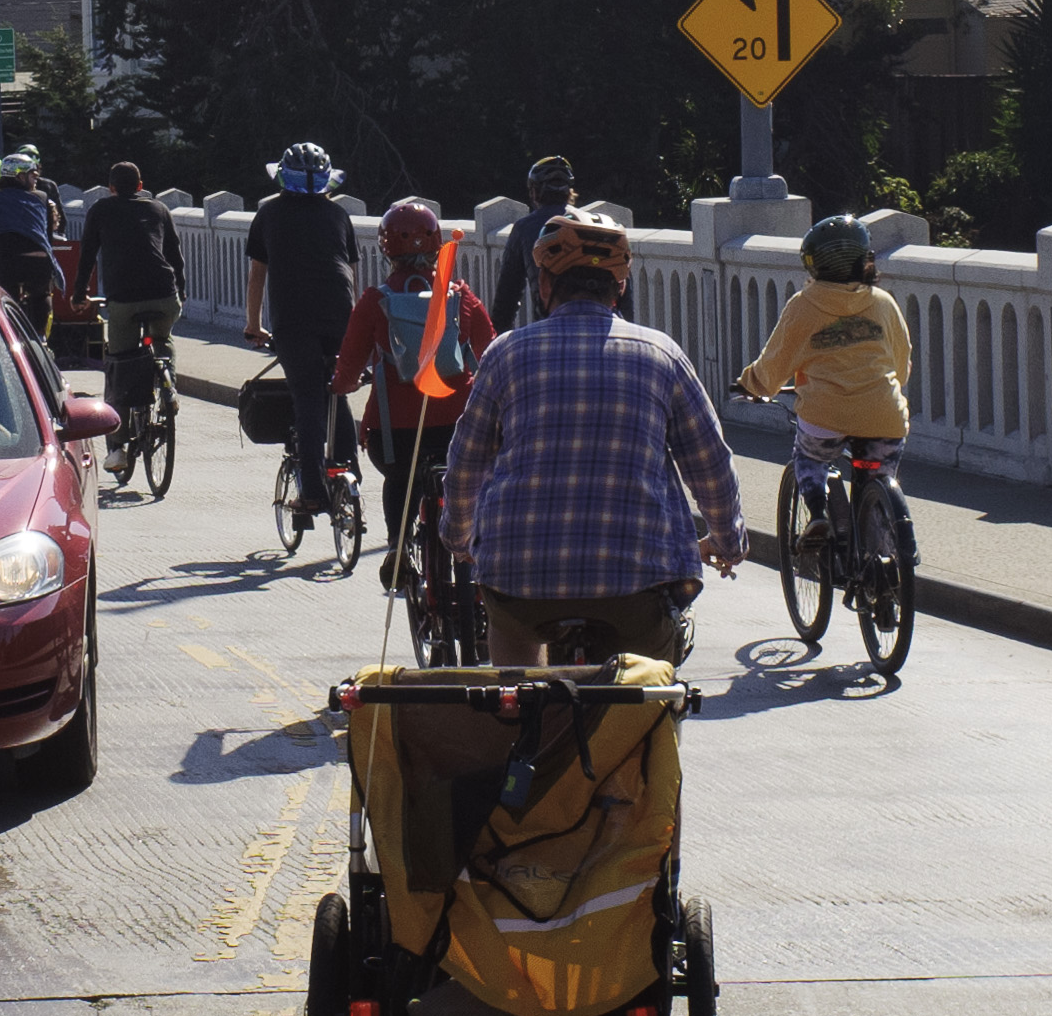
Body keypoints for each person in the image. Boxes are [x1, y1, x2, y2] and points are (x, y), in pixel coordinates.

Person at [436, 203, 740, 663]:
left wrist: (459, 539)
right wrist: (727, 539)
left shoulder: (504, 355)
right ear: (619, 288)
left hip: (520, 583)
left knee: (515, 662)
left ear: (544, 285)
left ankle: (522, 713)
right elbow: (711, 466)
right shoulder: (662, 355)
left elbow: (465, 466)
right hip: (637, 587)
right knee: (649, 690)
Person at [732, 216, 917, 562]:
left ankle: (817, 512)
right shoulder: (882, 302)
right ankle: (884, 567)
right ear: (865, 260)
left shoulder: (803, 306)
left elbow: (774, 365)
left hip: (825, 415)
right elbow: (901, 361)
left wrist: (752, 385)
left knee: (811, 457)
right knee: (880, 474)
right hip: (884, 414)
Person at [334, 197, 497, 578]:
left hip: (396, 433)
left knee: (400, 480)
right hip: (459, 425)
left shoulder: (375, 301)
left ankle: (397, 546)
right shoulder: (460, 295)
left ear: (385, 247)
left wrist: (338, 386)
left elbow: (349, 366)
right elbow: (490, 350)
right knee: (471, 481)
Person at [240, 142, 361, 512]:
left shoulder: (269, 214)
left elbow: (257, 276)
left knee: (307, 398)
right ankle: (349, 480)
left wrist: (253, 325)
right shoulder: (338, 216)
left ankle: (313, 493)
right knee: (336, 395)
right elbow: (350, 273)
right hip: (341, 315)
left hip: (294, 320)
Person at [68, 160, 183, 483]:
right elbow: (175, 255)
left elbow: (87, 255)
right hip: (164, 293)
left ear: (112, 188)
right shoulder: (159, 209)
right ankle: (169, 385)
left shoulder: (101, 209)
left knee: (118, 364)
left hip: (124, 299)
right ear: (141, 183)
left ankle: (117, 449)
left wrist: (78, 296)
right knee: (163, 341)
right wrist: (181, 291)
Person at [0, 150, 61, 334]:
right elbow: (46, 234)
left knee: (3, 298)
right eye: (32, 176)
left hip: (8, 259)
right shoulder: (42, 198)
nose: (36, 180)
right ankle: (40, 338)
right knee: (40, 295)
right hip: (39, 258)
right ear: (19, 176)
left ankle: (9, 334)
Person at [486, 152, 581, 327]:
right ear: (569, 191)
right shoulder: (592, 224)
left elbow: (507, 299)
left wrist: (497, 342)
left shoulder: (524, 228)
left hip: (548, 329)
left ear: (534, 192)